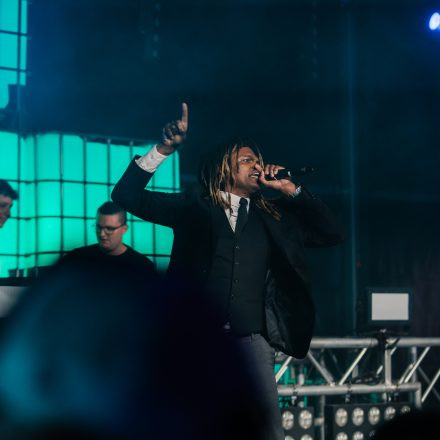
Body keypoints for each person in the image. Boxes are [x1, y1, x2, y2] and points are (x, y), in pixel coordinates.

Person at [111, 103, 344, 439]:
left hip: (252, 340)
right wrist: (164, 149)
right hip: (194, 337)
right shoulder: (194, 206)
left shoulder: (275, 217)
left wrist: (290, 190)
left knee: (265, 430)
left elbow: (331, 234)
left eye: (258, 160)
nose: (257, 166)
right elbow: (126, 196)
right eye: (247, 160)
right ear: (225, 168)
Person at [60, 201, 155, 275]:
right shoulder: (77, 258)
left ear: (124, 229)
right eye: (98, 227)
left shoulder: (142, 265)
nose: (102, 234)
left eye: (109, 228)